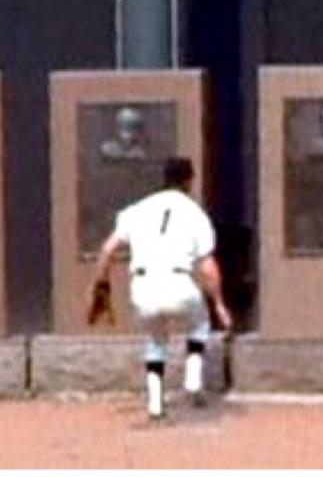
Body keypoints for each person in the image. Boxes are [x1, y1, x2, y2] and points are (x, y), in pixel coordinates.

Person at [90, 156, 231, 420]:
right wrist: (220, 304)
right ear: (190, 180)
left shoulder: (136, 210)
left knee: (155, 339)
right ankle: (192, 379)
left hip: (143, 287)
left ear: (163, 179)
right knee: (199, 323)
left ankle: (155, 404)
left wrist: (102, 285)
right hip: (179, 283)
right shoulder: (194, 213)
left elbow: (107, 250)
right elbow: (207, 266)